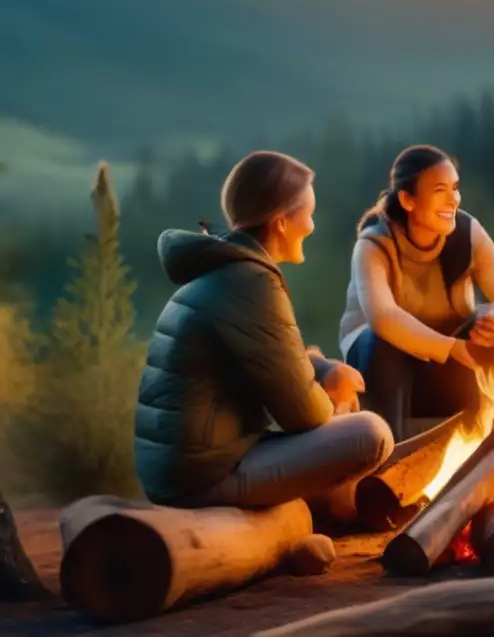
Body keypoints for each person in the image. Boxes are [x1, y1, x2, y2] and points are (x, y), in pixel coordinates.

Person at [134, 151, 395, 514]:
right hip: (204, 477)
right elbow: (303, 414)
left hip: (189, 466)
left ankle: (335, 509)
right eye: (308, 214)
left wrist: (324, 370)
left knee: (339, 387)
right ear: (281, 222)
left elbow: (265, 356)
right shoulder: (252, 283)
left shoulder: (226, 271)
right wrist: (333, 391)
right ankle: (335, 511)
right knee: (371, 434)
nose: (312, 225)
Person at [339, 144, 494, 441]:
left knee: (488, 338)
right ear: (407, 200)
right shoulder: (374, 245)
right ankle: (389, 454)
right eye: (440, 190)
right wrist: (450, 348)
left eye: (455, 188)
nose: (454, 199)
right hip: (379, 365)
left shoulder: (468, 233)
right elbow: (383, 318)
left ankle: (482, 445)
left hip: (446, 358)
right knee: (383, 342)